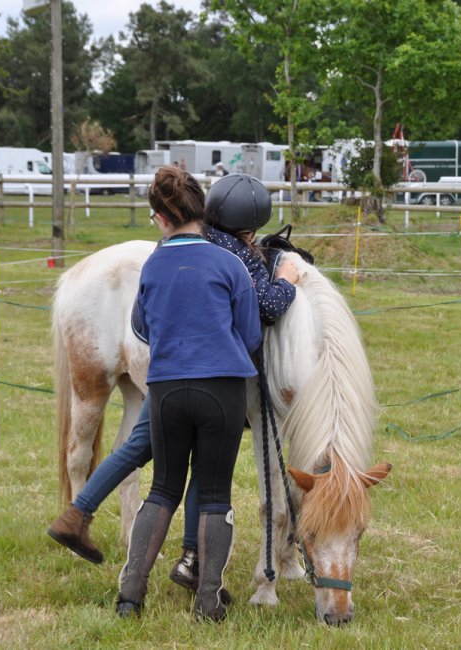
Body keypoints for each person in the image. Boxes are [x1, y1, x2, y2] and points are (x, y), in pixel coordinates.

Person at [46, 173, 298, 609]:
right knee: (214, 491)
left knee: (162, 489)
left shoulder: (154, 264)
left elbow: (141, 327)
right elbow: (251, 333)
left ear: (161, 219)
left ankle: (130, 594)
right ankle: (206, 595)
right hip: (221, 390)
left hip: (164, 388)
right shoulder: (233, 265)